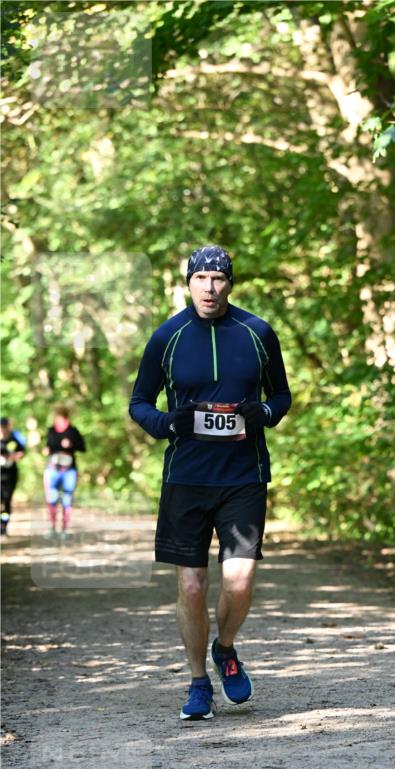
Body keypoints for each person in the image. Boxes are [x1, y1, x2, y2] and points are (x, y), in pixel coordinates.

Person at [129, 245, 291, 722]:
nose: (210, 287)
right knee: (194, 587)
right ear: (189, 283)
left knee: (239, 581)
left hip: (244, 475)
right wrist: (167, 423)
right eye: (202, 278)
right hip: (186, 477)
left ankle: (226, 648)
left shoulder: (258, 333)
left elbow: (280, 395)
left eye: (219, 279)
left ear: (230, 284)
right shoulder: (168, 337)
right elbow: (140, 402)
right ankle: (199, 682)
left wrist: (261, 413)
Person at [43, 405, 86, 539]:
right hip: (53, 469)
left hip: (69, 470)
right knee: (52, 498)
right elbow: (48, 446)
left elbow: (83, 447)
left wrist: (71, 445)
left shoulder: (73, 431)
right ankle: (52, 527)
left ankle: (64, 529)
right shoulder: (51, 430)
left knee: (67, 499)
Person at [1, 417, 27, 536]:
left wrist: (13, 457)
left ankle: (4, 524)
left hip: (10, 474)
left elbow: (22, 452)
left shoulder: (14, 439)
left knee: (7, 499)